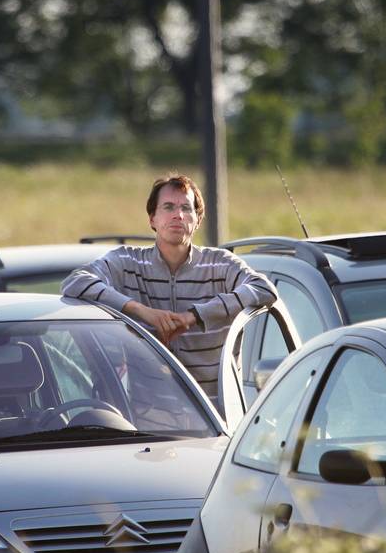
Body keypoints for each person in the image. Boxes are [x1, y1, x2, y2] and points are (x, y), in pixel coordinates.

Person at [62, 173, 277, 409]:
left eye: (186, 208)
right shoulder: (127, 261)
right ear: (152, 218)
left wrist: (194, 316)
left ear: (198, 220)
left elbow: (264, 289)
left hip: (218, 419)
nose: (178, 214)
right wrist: (142, 312)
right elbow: (76, 282)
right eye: (168, 207)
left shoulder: (220, 264)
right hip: (151, 424)